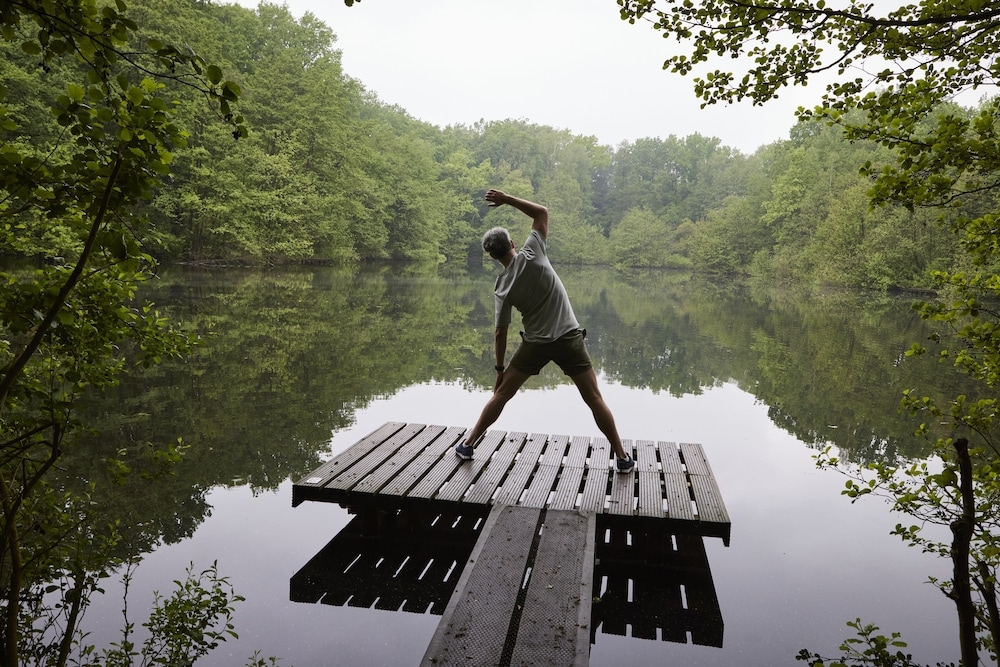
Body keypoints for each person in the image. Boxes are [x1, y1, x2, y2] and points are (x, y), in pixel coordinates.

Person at [454, 189, 635, 474]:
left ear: (492, 256)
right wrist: (508, 200)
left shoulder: (502, 288)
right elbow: (542, 212)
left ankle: (468, 444)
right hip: (568, 339)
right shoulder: (533, 252)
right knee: (594, 399)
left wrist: (500, 369)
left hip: (535, 344)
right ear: (513, 242)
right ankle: (622, 457)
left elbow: (500, 333)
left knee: (501, 395)